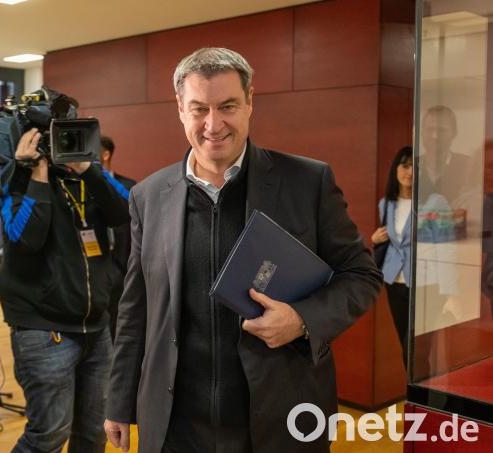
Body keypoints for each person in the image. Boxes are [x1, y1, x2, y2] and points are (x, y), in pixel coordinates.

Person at [104, 47, 382, 453]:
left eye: (228, 106)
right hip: (175, 423)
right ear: (180, 109)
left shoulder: (307, 182)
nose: (213, 124)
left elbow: (362, 275)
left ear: (250, 103)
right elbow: (136, 308)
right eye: (198, 109)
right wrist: (118, 400)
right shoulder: (148, 196)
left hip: (278, 415)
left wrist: (302, 320)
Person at [0, 124, 129, 452]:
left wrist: (88, 168)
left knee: (93, 434)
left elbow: (126, 210)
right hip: (44, 330)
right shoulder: (14, 181)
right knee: (48, 436)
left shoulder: (89, 179)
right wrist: (36, 174)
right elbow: (26, 239)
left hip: (96, 329)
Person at [372, 146, 413, 365]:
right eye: (405, 165)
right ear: (396, 169)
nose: (410, 172)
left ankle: (419, 394)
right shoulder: (386, 204)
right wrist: (375, 240)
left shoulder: (428, 203)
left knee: (414, 346)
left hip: (421, 281)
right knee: (402, 341)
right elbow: (388, 238)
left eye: (415, 166)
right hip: (394, 280)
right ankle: (412, 394)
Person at [99, 135, 136, 340]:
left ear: (105, 154)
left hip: (122, 268)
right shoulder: (82, 187)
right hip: (97, 267)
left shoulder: (129, 187)